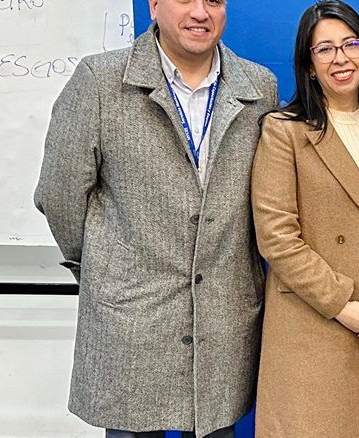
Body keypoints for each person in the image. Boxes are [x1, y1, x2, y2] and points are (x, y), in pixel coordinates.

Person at [33, 0, 278, 436]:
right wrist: (104, 271)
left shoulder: (259, 87)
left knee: (216, 429)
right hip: (132, 319)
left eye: (214, 1)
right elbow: (60, 193)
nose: (200, 12)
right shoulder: (101, 80)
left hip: (222, 316)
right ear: (153, 5)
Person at [249, 1, 359, 437]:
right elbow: (276, 235)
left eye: (351, 44)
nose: (341, 58)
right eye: (325, 49)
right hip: (314, 323)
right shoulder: (284, 130)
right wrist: (341, 303)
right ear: (308, 65)